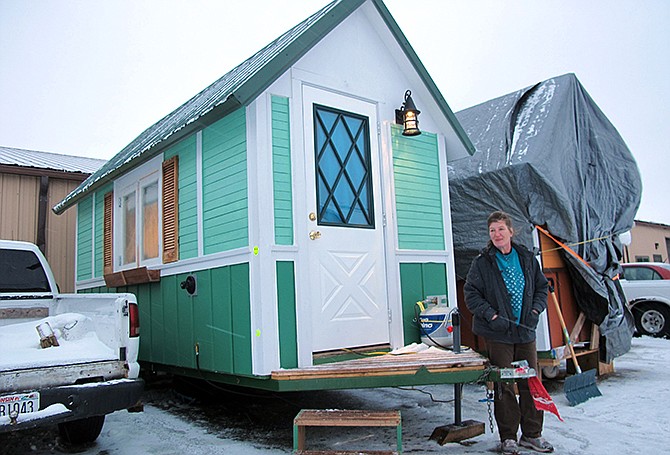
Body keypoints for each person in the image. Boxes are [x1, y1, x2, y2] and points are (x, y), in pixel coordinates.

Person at [464, 211, 553, 454]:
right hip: (498, 333)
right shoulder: (482, 263)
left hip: (524, 332)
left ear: (511, 232)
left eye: (501, 229)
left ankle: (532, 434)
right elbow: (471, 294)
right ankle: (508, 437)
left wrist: (535, 311)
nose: (496, 234)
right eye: (492, 230)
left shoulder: (525, 258)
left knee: (530, 382)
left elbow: (541, 288)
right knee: (504, 385)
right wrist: (491, 315)